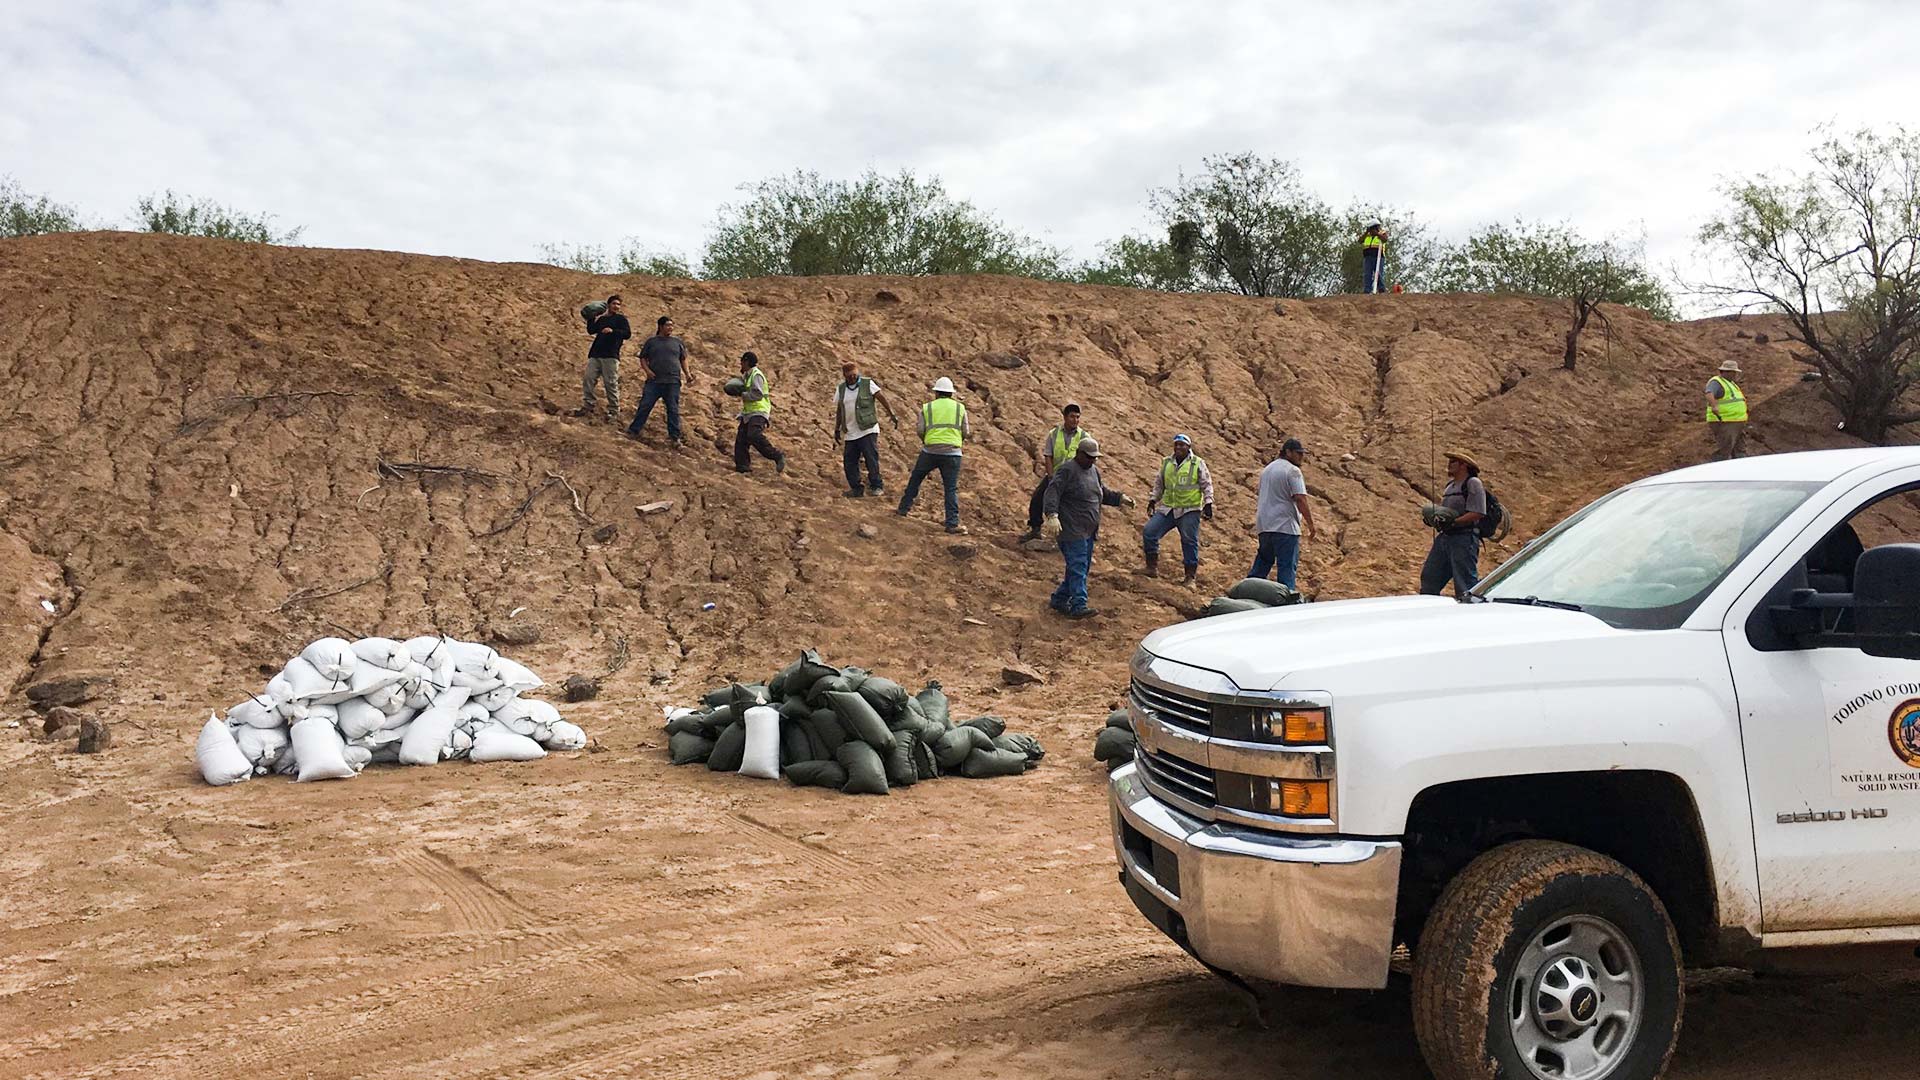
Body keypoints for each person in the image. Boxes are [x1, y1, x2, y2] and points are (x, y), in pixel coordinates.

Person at [1042, 437, 1133, 618]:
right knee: (1078, 565)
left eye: (1095, 458)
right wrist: (1052, 515)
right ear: (1079, 454)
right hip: (1071, 529)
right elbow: (1052, 491)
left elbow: (1101, 493)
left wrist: (1119, 498)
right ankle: (1079, 605)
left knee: (1079, 568)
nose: (1093, 460)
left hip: (1089, 531)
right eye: (1089, 457)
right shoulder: (1067, 470)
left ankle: (1059, 599)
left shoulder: (1094, 471)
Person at [897, 377, 971, 533]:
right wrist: (955, 442)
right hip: (952, 453)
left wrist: (928, 441)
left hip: (930, 451)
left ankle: (903, 509)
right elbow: (966, 432)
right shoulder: (960, 408)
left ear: (936, 393)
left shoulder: (927, 408)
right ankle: (952, 523)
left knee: (916, 479)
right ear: (951, 393)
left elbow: (920, 430)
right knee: (950, 489)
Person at [1140, 433, 1214, 584]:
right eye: (1177, 444)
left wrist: (1208, 503)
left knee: (1189, 540)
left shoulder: (1197, 463)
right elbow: (1160, 483)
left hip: (1189, 509)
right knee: (1149, 532)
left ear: (1189, 447)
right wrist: (1153, 499)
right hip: (1168, 508)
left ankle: (1190, 576)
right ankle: (1151, 567)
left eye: (1182, 445)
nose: (1179, 447)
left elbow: (1206, 484)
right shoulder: (1167, 462)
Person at [1420, 449, 1487, 600]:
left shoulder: (1473, 483)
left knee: (1464, 582)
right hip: (1445, 537)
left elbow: (1478, 512)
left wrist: (1454, 521)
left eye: (1453, 462)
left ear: (1464, 465)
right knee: (1430, 577)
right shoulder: (1450, 486)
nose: (1449, 465)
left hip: (1464, 538)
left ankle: (1469, 612)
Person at [1250, 437, 1317, 588]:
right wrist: (1311, 525)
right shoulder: (1293, 471)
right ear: (1288, 452)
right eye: (1298, 453)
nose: (1302, 457)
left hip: (1265, 525)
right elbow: (1300, 498)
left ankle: (1246, 594)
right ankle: (1286, 605)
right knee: (1287, 569)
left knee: (1262, 564)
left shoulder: (1267, 470)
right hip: (1285, 526)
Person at [832, 360, 899, 497]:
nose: (853, 378)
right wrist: (837, 428)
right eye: (849, 376)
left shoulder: (867, 384)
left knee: (871, 458)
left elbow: (881, 397)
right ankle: (856, 488)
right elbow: (840, 409)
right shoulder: (841, 389)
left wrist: (891, 414)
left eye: (855, 375)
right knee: (849, 461)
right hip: (851, 431)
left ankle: (877, 485)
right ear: (844, 376)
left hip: (867, 428)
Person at [1022, 403, 1088, 541]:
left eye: (1077, 417)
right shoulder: (1054, 434)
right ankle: (1035, 528)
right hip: (1056, 476)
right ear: (1064, 417)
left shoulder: (1083, 436)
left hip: (1073, 478)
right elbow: (1048, 456)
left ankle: (1071, 535)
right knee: (1037, 499)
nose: (1075, 420)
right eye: (1072, 417)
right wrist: (1051, 477)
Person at [628, 315, 689, 446]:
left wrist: (688, 374)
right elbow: (643, 358)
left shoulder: (677, 342)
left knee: (673, 409)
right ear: (660, 326)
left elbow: (683, 359)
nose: (670, 328)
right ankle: (634, 430)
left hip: (673, 381)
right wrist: (647, 371)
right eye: (668, 325)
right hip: (654, 380)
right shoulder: (652, 342)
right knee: (645, 405)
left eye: (672, 325)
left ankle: (674, 437)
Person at [576, 294, 629, 422]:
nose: (616, 306)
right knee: (588, 379)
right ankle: (588, 405)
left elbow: (627, 334)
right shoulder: (602, 319)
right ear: (608, 305)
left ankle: (614, 410)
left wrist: (613, 331)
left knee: (610, 383)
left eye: (618, 304)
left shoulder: (621, 319)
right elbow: (591, 330)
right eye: (614, 304)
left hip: (611, 355)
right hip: (596, 354)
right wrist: (591, 318)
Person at [733, 351, 786, 475]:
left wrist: (743, 394)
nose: (740, 364)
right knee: (741, 438)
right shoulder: (748, 375)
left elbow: (757, 394)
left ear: (746, 362)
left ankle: (777, 456)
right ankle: (742, 466)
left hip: (758, 411)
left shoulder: (756, 375)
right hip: (749, 413)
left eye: (742, 361)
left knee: (754, 435)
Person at [1706, 359, 1748, 461]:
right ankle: (1716, 470)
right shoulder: (1716, 382)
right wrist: (1714, 406)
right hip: (1725, 421)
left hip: (1736, 421)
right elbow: (1709, 393)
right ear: (1724, 372)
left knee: (1739, 449)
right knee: (1724, 449)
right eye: (1732, 372)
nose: (1734, 375)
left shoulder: (1731, 384)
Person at [1359, 224, 1389, 294]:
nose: (1371, 230)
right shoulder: (1367, 235)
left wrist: (1377, 234)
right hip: (1367, 257)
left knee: (1378, 273)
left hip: (1378, 256)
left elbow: (1385, 239)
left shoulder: (1382, 233)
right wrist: (1366, 233)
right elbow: (1360, 241)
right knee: (1367, 274)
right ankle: (1367, 290)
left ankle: (1381, 289)